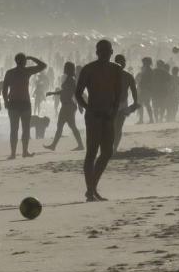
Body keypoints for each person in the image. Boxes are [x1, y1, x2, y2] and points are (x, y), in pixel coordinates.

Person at [75, 40, 124, 202]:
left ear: (111, 52)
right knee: (91, 152)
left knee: (107, 152)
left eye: (107, 51)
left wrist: (114, 113)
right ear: (97, 52)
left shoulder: (116, 69)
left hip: (108, 115)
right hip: (94, 116)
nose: (104, 54)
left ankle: (92, 187)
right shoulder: (89, 69)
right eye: (101, 51)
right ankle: (90, 190)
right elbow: (78, 93)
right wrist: (89, 108)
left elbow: (118, 95)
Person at [1, 53, 48, 159]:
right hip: (24, 103)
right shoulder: (27, 71)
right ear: (24, 61)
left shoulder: (10, 72)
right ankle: (24, 152)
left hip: (13, 103)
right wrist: (32, 57)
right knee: (25, 129)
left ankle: (13, 153)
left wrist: (5, 101)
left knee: (14, 129)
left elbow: (4, 89)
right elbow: (43, 65)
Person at [45, 62, 83, 151]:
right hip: (67, 105)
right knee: (68, 126)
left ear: (68, 69)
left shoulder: (70, 80)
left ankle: (54, 145)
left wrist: (80, 105)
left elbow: (74, 93)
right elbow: (66, 91)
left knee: (65, 126)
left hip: (68, 106)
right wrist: (53, 93)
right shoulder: (70, 79)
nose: (64, 69)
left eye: (65, 67)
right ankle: (54, 145)